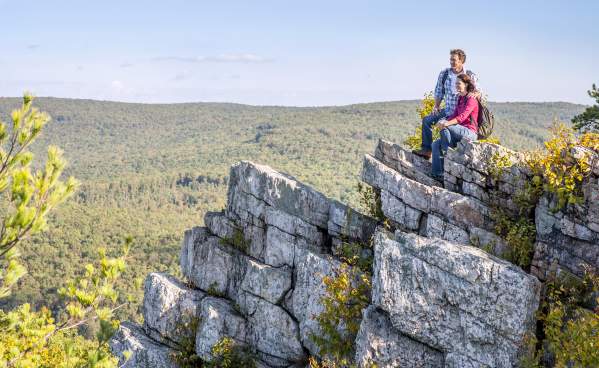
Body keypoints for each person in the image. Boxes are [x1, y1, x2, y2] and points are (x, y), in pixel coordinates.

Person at [412, 49, 481, 161]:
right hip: (448, 110)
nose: (451, 62)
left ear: (461, 61)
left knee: (445, 127)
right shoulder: (444, 74)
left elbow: (479, 91)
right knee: (427, 120)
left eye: (454, 60)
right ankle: (426, 150)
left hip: (461, 114)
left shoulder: (469, 75)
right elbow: (439, 91)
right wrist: (436, 106)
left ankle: (446, 157)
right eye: (450, 59)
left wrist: (476, 93)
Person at [430, 73, 479, 181]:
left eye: (459, 83)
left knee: (446, 126)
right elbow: (454, 115)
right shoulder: (460, 99)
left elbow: (462, 117)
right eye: (455, 83)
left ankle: (448, 157)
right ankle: (437, 174)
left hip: (470, 133)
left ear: (466, 84)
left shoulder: (471, 99)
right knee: (435, 144)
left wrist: (446, 124)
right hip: (458, 131)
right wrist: (442, 121)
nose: (456, 85)